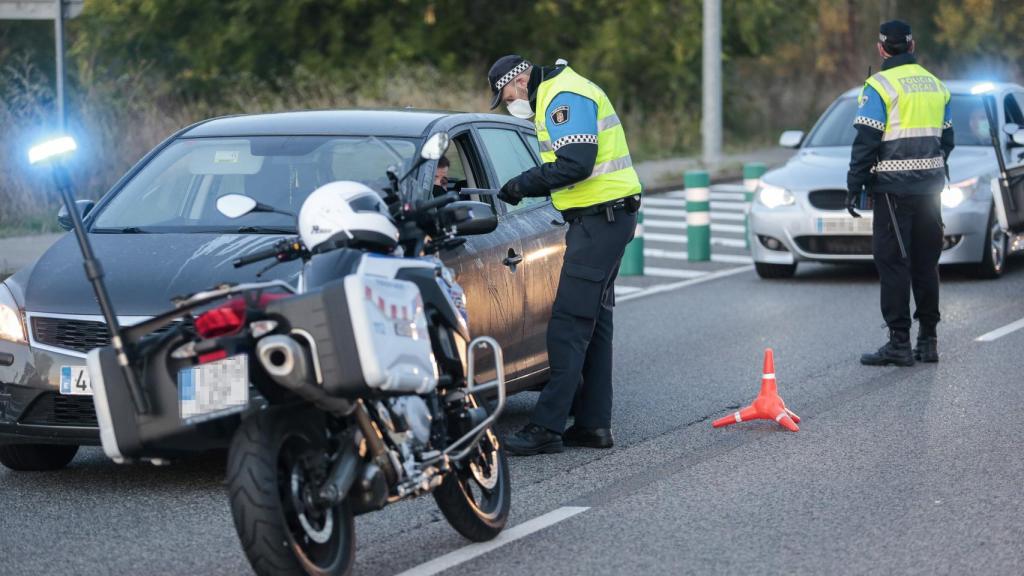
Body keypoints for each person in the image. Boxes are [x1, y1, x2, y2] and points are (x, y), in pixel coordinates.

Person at [486, 54, 641, 455]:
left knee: (569, 325)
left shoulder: (563, 96)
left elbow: (576, 163)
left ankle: (546, 428)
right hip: (605, 219)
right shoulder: (562, 92)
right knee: (595, 324)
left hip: (599, 221)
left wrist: (520, 185)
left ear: (519, 80)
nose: (509, 104)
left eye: (505, 96)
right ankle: (592, 426)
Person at [847, 20, 954, 366]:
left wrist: (855, 183)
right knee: (926, 263)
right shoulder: (936, 85)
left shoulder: (879, 86)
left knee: (893, 263)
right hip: (931, 189)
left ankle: (899, 343)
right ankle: (929, 341)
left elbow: (866, 139)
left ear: (881, 49)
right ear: (912, 45)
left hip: (893, 191)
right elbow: (947, 140)